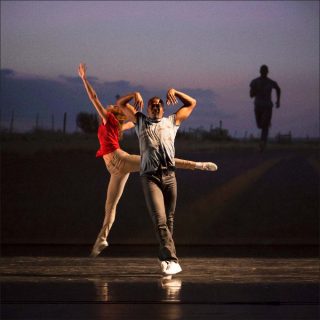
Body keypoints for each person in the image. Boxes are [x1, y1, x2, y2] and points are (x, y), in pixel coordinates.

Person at [78, 63, 218, 258]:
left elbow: (94, 98)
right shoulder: (119, 125)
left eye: (110, 108)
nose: (108, 107)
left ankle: (198, 165)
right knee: (111, 206)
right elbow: (127, 118)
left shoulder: (108, 120)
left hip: (119, 160)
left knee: (160, 158)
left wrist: (84, 79)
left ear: (111, 114)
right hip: (115, 169)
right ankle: (102, 238)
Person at [117, 89, 200, 275]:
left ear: (163, 108)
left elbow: (192, 103)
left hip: (170, 176)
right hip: (150, 176)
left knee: (169, 219)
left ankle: (164, 256)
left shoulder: (171, 121)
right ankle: (172, 260)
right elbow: (121, 104)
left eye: (159, 104)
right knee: (160, 219)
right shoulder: (140, 120)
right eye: (152, 104)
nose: (156, 106)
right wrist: (134, 94)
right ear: (147, 108)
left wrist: (175, 92)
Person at [250, 65, 281, 152]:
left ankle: (263, 143)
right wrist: (256, 90)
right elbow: (251, 95)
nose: (264, 72)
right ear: (260, 71)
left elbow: (278, 89)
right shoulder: (255, 82)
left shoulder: (271, 82)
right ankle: (264, 136)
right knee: (259, 125)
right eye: (262, 71)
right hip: (258, 106)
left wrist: (278, 101)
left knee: (265, 125)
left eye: (265, 71)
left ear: (267, 72)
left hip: (267, 106)